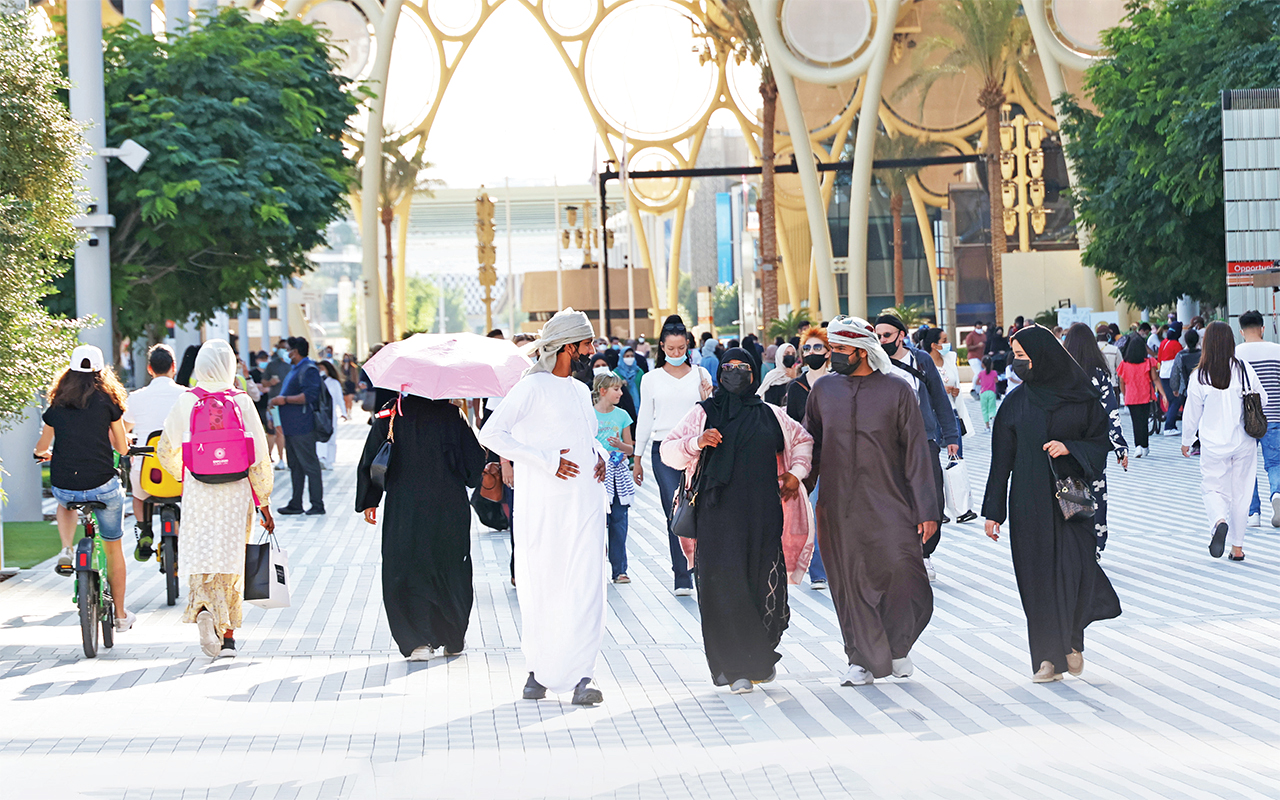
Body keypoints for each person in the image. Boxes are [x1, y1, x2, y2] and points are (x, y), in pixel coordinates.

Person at [475, 308, 610, 706]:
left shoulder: (579, 390)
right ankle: (539, 672)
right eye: (586, 343)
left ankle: (584, 675)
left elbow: (586, 436)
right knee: (544, 583)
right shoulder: (530, 388)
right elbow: (492, 432)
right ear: (568, 346)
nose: (591, 349)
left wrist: (598, 452)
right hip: (544, 504)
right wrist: (545, 460)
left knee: (586, 584)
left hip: (585, 502)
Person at [661, 348, 813, 693]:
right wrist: (696, 442)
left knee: (764, 587)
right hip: (717, 517)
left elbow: (803, 440)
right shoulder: (703, 413)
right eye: (727, 368)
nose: (733, 373)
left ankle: (758, 658)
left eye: (741, 368)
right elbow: (668, 451)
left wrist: (796, 474)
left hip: (762, 516)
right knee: (724, 590)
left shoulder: (771, 414)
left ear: (754, 373)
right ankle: (734, 668)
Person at [981, 325, 1121, 683]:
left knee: (1076, 570)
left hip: (1072, 495)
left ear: (1043, 356)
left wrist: (1070, 448)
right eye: (1015, 357)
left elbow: (1100, 442)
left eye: (1024, 357)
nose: (1018, 364)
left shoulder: (1082, 398)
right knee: (1037, 578)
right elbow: (1001, 461)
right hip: (1028, 501)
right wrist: (993, 513)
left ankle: (1072, 640)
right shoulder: (1014, 404)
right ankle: (1047, 658)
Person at [803, 317, 936, 686]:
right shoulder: (823, 391)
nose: (833, 357)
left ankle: (897, 648)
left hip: (891, 501)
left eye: (841, 350)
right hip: (838, 507)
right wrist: (796, 487)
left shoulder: (897, 390)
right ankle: (859, 659)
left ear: (862, 351)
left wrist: (926, 510)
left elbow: (916, 454)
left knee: (903, 575)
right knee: (849, 583)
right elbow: (809, 447)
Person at [155, 340, 275, 657]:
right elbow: (260, 457)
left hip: (199, 489)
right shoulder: (242, 401)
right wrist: (263, 500)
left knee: (204, 552)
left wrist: (185, 474)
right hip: (237, 493)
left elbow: (165, 452)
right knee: (233, 558)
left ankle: (205, 609)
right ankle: (230, 635)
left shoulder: (186, 401)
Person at [357, 394, 485, 659]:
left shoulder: (390, 413)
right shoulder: (452, 416)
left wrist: (370, 500)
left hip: (405, 508)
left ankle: (417, 641)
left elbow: (372, 457)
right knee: (451, 567)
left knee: (405, 567)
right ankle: (453, 638)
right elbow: (474, 467)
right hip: (448, 509)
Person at [33, 345, 136, 632]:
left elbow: (42, 447)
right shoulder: (109, 402)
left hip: (66, 483)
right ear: (101, 371)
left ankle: (66, 548)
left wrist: (42, 453)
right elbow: (122, 447)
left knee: (65, 501)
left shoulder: (57, 405)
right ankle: (120, 614)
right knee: (114, 549)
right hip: (102, 484)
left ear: (70, 372)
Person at [633, 315, 713, 596]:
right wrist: (637, 458)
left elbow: (711, 413)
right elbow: (645, 418)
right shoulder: (651, 379)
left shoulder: (702, 375)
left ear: (689, 346)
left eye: (681, 349)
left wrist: (709, 397)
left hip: (697, 448)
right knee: (675, 510)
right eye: (671, 349)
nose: (677, 354)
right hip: (664, 450)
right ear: (662, 348)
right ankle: (682, 575)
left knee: (702, 508)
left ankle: (702, 568)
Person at [875, 314, 958, 580]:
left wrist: (952, 437)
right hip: (888, 445)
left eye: (886, 335)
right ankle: (903, 555)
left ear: (901, 335)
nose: (881, 340)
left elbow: (939, 399)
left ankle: (925, 553)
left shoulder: (920, 360)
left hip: (925, 440)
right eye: (877, 336)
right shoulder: (874, 361)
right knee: (895, 500)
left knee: (931, 499)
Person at [1181, 321, 1264, 561]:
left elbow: (1191, 413)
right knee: (1242, 493)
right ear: (1231, 342)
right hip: (1244, 442)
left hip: (1212, 444)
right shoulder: (1245, 369)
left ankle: (1219, 522)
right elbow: (1264, 401)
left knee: (1212, 488)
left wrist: (1187, 440)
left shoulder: (1200, 375)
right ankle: (1237, 548)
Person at [1063, 323, 1129, 556]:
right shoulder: (1099, 375)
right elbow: (1111, 411)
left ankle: (1078, 542)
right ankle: (1096, 540)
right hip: (1095, 446)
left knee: (1073, 489)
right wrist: (1120, 446)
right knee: (1097, 492)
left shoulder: (1062, 373)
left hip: (1068, 445)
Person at [121, 344, 187, 558]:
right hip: (181, 475)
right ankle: (187, 534)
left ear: (150, 368)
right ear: (173, 367)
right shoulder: (187, 396)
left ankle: (144, 529)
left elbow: (123, 430)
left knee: (138, 496)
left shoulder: (137, 397)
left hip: (146, 475)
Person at [785, 327, 831, 590]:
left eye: (818, 348)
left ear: (828, 352)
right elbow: (791, 426)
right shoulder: (797, 387)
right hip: (810, 461)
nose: (812, 353)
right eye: (808, 349)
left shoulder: (839, 383)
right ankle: (817, 571)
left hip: (837, 457)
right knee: (813, 513)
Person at [922, 328, 977, 524]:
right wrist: (940, 389)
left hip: (950, 415)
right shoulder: (923, 363)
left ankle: (961, 507)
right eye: (944, 340)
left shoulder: (950, 361)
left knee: (956, 460)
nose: (947, 344)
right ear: (933, 345)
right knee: (933, 465)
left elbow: (956, 386)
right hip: (932, 417)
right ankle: (938, 508)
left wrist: (953, 392)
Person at [269, 336, 325, 515]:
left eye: (288, 349)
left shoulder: (308, 369)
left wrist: (283, 400)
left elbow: (309, 396)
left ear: (295, 351)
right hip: (292, 427)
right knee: (295, 465)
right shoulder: (296, 369)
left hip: (303, 426)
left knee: (310, 465)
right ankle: (296, 502)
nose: (286, 353)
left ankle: (317, 504)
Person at [1235, 311, 1280, 528]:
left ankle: (1253, 513)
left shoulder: (1235, 355)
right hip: (1275, 417)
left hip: (1246, 421)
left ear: (1241, 331)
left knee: (1247, 465)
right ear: (1263, 329)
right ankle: (1277, 494)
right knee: (1275, 462)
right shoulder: (1277, 351)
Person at [593, 373, 636, 584]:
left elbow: (630, 448)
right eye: (616, 389)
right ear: (603, 391)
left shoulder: (622, 415)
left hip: (618, 474)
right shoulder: (589, 415)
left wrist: (620, 446)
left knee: (619, 522)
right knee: (597, 523)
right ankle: (597, 568)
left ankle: (619, 569)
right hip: (597, 475)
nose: (620, 393)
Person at [1116, 335, 1165, 458]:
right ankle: (1145, 446)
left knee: (1135, 422)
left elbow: (1122, 382)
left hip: (1131, 397)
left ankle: (1138, 446)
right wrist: (1163, 394)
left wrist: (1124, 394)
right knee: (1143, 421)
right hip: (1145, 396)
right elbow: (1155, 379)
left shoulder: (1124, 364)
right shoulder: (1149, 362)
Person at [261, 344, 292, 468]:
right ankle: (281, 459)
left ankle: (292, 458)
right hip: (276, 402)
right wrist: (270, 382)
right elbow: (264, 382)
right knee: (279, 430)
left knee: (290, 432)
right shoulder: (272, 365)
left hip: (291, 403)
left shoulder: (294, 365)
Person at [316, 360, 347, 470]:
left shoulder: (334, 382)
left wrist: (344, 412)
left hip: (331, 414)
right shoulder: (316, 381)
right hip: (320, 413)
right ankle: (321, 457)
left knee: (332, 438)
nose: (321, 371)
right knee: (320, 436)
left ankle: (330, 461)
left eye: (323, 368)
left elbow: (339, 398)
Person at [1157, 327, 1184, 436]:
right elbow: (1180, 359)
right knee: (1176, 400)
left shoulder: (1164, 342)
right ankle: (1169, 426)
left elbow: (1159, 358)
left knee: (1171, 399)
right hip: (1172, 373)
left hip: (1163, 372)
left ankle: (1171, 424)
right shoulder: (1176, 344)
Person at [976, 356, 999, 428]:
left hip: (983, 392)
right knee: (992, 407)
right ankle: (993, 417)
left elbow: (977, 382)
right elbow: (996, 381)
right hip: (992, 392)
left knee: (984, 409)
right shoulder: (994, 372)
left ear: (982, 364)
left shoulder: (981, 373)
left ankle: (987, 426)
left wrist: (982, 383)